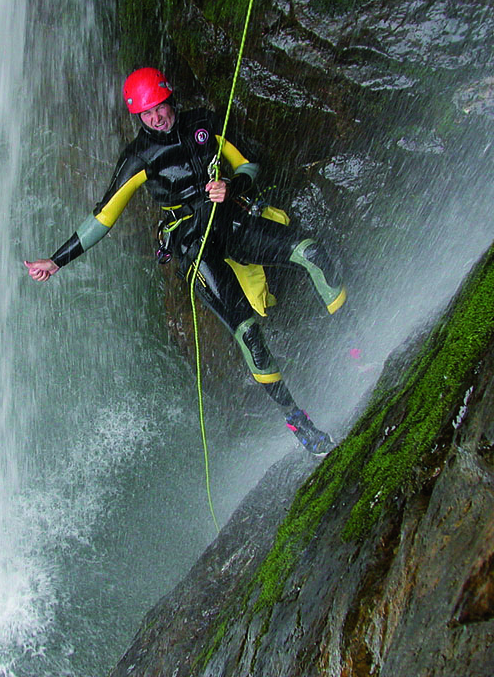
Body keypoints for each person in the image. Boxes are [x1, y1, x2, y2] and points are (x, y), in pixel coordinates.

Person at [24, 67, 346, 455]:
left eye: (159, 107)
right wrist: (58, 261)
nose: (156, 118)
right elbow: (103, 217)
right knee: (248, 334)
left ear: (169, 97)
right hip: (195, 244)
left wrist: (233, 185)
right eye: (146, 114)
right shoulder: (138, 157)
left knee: (311, 252)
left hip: (230, 220)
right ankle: (300, 424)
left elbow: (249, 163)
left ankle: (355, 345)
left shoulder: (204, 123)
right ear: (137, 118)